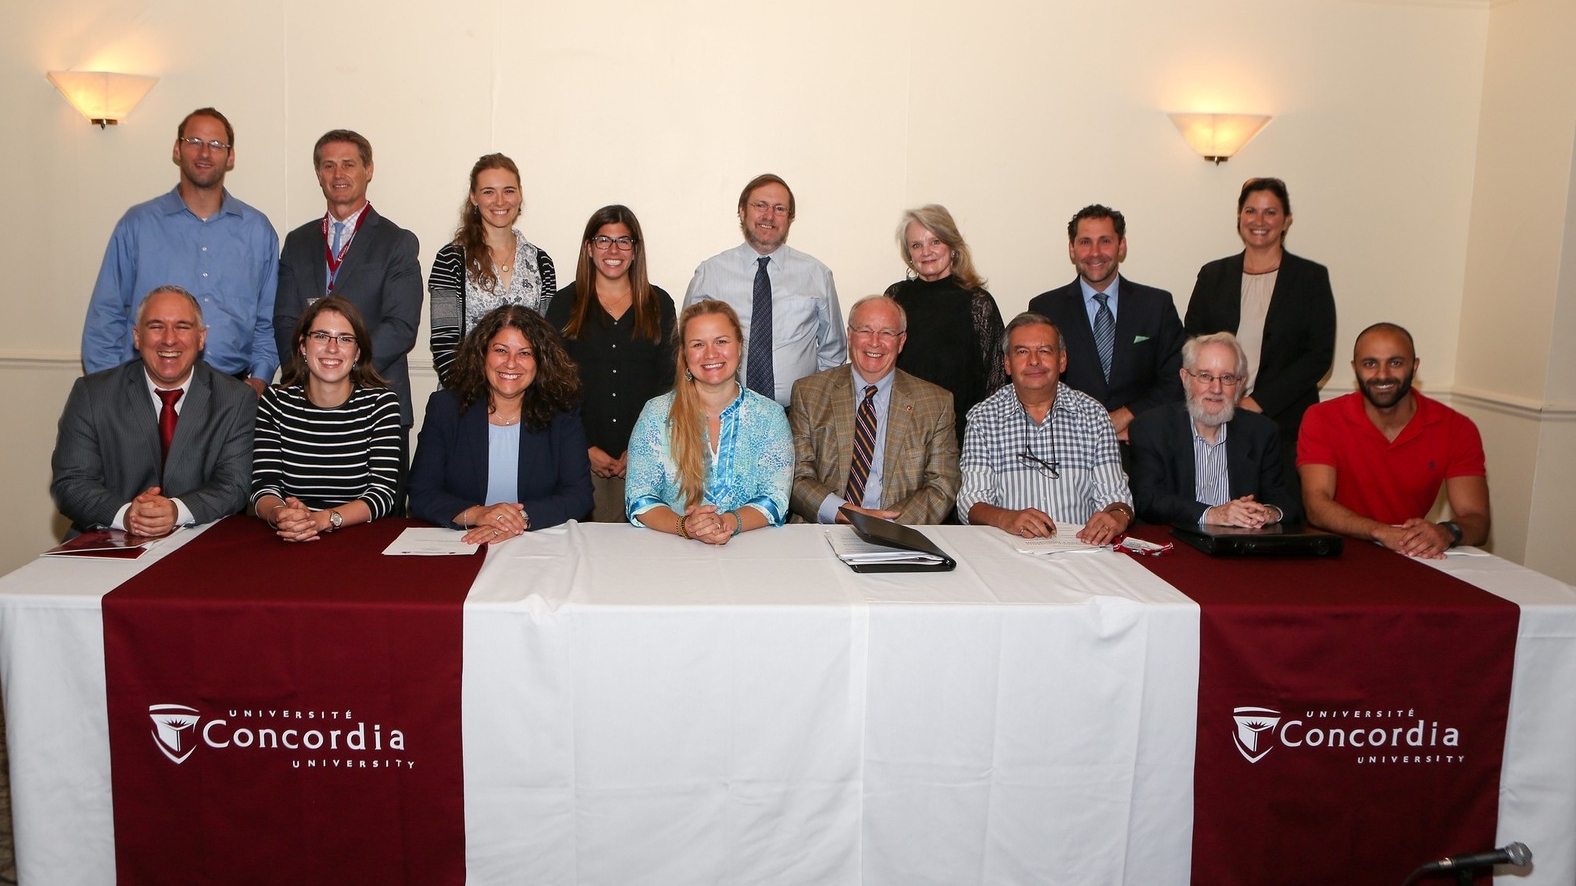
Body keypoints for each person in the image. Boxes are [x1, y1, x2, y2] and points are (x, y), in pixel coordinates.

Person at [82, 108, 279, 393]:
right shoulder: (138, 225)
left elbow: (267, 321)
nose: (204, 153)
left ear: (230, 156)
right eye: (194, 142)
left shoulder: (257, 232)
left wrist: (259, 379)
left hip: (232, 393)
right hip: (144, 391)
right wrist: (109, 393)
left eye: (216, 145)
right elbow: (106, 314)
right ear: (177, 149)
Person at [52, 286, 255, 537]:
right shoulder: (92, 394)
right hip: (105, 540)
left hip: (197, 545)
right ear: (137, 336)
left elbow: (235, 485)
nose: (169, 339)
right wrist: (126, 515)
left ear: (201, 337)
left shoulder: (235, 399)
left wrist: (175, 511)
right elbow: (70, 483)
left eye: (182, 326)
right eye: (156, 326)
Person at [1184, 177, 1336, 488]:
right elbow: (1191, 344)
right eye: (1251, 211)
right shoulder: (1213, 275)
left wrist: (1258, 402)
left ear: (1286, 220)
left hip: (1284, 424)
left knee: (1279, 513)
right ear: (1239, 217)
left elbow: (1318, 356)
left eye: (1270, 212)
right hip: (1215, 417)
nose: (1259, 221)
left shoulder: (1311, 278)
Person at [274, 129, 422, 443]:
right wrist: (312, 377)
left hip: (376, 403)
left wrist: (344, 375)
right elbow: (285, 319)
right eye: (328, 165)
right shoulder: (297, 242)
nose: (338, 173)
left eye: (348, 164)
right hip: (306, 405)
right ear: (318, 173)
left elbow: (401, 326)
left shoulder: (397, 242)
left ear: (368, 170)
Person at [1298, 322, 1490, 558]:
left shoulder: (1457, 427)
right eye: (1370, 364)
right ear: (1354, 368)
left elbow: (1477, 520)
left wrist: (1446, 532)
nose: (1382, 375)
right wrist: (1381, 532)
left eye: (1395, 363)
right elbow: (1316, 505)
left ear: (1415, 366)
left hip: (1409, 555)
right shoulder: (1322, 418)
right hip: (1334, 554)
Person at [409, 306, 593, 544]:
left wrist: (519, 519)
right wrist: (479, 514)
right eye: (500, 350)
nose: (511, 363)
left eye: (525, 353)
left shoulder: (562, 412)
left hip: (537, 542)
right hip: (462, 541)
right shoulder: (445, 408)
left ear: (541, 361)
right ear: (482, 354)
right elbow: (421, 493)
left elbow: (579, 496)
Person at [545, 205, 677, 522]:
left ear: (635, 250)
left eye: (623, 241)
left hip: (647, 457)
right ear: (589, 248)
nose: (613, 250)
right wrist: (584, 447)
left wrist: (642, 449)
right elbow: (551, 383)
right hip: (579, 456)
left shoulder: (659, 303)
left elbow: (669, 383)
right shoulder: (565, 304)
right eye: (604, 240)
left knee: (640, 555)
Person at [957, 312, 1133, 545]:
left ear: (1062, 360)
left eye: (1044, 351)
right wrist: (1008, 518)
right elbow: (970, 501)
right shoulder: (983, 418)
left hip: (1081, 551)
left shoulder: (1093, 415)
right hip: (1008, 552)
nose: (1034, 361)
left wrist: (1117, 516)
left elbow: (1115, 496)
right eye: (1022, 352)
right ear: (1007, 364)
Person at [625, 300, 792, 542]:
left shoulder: (770, 416)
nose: (711, 354)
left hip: (751, 554)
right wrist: (686, 526)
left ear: (740, 346)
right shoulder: (656, 414)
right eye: (698, 344)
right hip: (671, 551)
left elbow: (775, 498)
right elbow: (639, 498)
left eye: (721, 341)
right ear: (684, 353)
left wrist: (725, 522)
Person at [789, 295, 959, 525]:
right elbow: (797, 476)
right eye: (865, 331)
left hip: (900, 533)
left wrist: (883, 527)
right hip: (821, 529)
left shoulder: (936, 403)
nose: (875, 342)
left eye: (887, 333)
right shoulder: (808, 393)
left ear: (901, 341)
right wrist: (842, 512)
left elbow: (942, 485)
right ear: (850, 335)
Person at [683, 174, 845, 407]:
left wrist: (816, 402)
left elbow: (833, 350)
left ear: (790, 218)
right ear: (742, 211)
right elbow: (688, 344)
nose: (769, 216)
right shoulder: (710, 274)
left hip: (798, 416)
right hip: (724, 412)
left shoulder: (817, 275)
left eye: (780, 209)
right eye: (760, 206)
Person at [1027, 204, 1185, 441]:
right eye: (1085, 242)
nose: (1095, 252)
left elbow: (1177, 378)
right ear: (1072, 249)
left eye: (1105, 241)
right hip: (1069, 446)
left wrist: (1125, 416)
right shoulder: (1046, 309)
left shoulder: (1156, 306)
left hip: (1141, 444)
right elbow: (1035, 382)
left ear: (1121, 246)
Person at [252, 296, 403, 542]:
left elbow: (382, 495)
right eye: (321, 336)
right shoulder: (275, 401)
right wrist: (281, 515)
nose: (332, 348)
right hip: (289, 536)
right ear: (303, 345)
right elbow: (263, 485)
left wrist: (324, 519)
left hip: (358, 540)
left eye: (344, 339)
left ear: (357, 352)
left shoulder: (381, 404)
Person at [1128, 332, 1300, 527]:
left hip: (1240, 548)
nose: (1216, 388)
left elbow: (1286, 502)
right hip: (1177, 545)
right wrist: (1212, 514)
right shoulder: (1151, 428)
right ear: (1185, 378)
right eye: (1205, 376)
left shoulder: (1262, 432)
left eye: (1227, 377)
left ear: (1240, 384)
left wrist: (1267, 513)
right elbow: (1147, 500)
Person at [428, 154, 556, 386]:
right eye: (488, 191)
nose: (499, 201)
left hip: (526, 398)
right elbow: (444, 342)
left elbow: (546, 341)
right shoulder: (451, 259)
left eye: (508, 190)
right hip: (464, 394)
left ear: (519, 195)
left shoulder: (541, 261)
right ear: (473, 197)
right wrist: (471, 395)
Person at [883, 205, 1006, 445]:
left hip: (962, 435)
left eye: (935, 241)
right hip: (902, 432)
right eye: (916, 245)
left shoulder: (978, 302)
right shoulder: (895, 296)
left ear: (952, 247)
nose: (926, 252)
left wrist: (983, 437)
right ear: (908, 253)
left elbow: (997, 376)